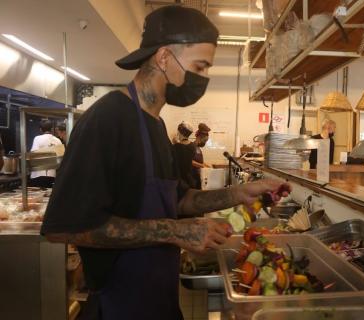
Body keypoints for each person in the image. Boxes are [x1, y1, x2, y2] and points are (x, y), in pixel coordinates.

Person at [40, 6, 291, 320]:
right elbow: (66, 228)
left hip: (159, 300)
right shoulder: (107, 119)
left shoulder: (156, 125)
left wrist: (238, 193)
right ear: (163, 58)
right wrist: (175, 231)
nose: (203, 78)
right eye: (199, 66)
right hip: (120, 306)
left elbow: (180, 199)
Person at [30, 120, 63, 187]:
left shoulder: (37, 138)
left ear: (40, 129)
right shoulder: (58, 140)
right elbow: (61, 159)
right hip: (52, 175)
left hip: (38, 174)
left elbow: (33, 155)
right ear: (51, 129)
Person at [173, 121, 197, 188]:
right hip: (190, 179)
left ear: (179, 132)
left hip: (180, 180)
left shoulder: (176, 147)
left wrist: (175, 144)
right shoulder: (193, 146)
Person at [191, 123, 210, 189]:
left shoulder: (198, 148)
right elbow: (190, 161)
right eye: (205, 140)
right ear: (199, 137)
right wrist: (202, 165)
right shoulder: (192, 146)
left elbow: (199, 162)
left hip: (198, 177)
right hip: (192, 179)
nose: (205, 143)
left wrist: (207, 166)